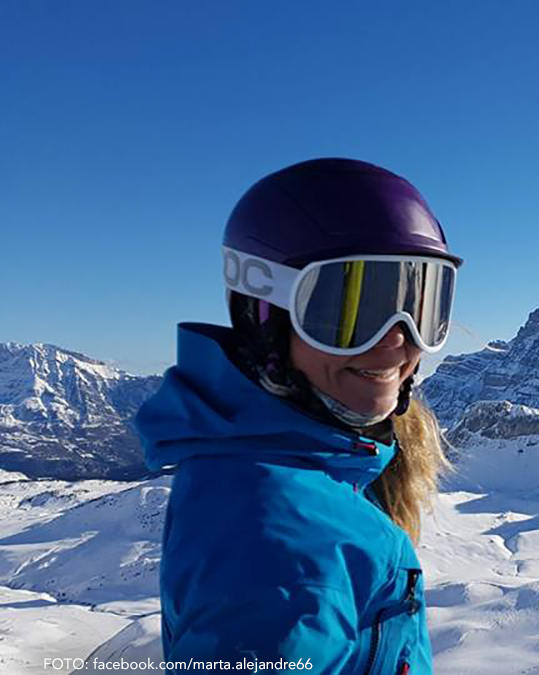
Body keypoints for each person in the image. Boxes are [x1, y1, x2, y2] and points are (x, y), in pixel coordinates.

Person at [135, 158, 462, 674]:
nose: (399, 340)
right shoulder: (274, 546)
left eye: (417, 304)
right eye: (350, 309)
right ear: (264, 319)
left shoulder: (303, 469)